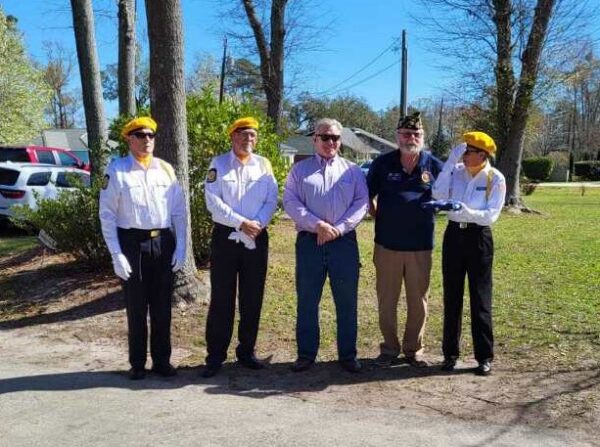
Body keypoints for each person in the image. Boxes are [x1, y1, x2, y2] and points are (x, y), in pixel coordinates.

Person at [99, 116, 187, 380]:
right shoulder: (117, 170)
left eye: (151, 135)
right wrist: (116, 254)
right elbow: (107, 215)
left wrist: (181, 245)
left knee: (162, 306)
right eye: (140, 135)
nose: (147, 140)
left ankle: (162, 360)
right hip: (132, 243)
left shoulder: (166, 170)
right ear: (129, 138)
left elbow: (179, 212)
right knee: (136, 306)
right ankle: (137, 363)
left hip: (162, 241)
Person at [283, 118, 368, 373]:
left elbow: (361, 203)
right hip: (310, 242)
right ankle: (306, 354)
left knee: (346, 301)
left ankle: (348, 355)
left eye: (335, 138)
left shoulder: (352, 170)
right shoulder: (299, 170)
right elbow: (290, 201)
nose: (331, 142)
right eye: (325, 137)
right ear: (315, 139)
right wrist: (317, 225)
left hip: (344, 243)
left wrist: (338, 229)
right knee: (307, 300)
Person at [366, 111, 443, 368]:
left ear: (423, 136)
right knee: (387, 300)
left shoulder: (433, 165)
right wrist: (379, 216)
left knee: (418, 301)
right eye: (406, 134)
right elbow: (366, 195)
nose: (411, 138)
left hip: (421, 246)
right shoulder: (383, 163)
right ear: (397, 136)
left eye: (416, 134)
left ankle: (414, 349)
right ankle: (389, 348)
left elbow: (449, 193)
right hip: (387, 245)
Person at [202, 117, 278, 378]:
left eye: (253, 135)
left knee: (252, 296)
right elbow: (212, 201)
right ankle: (215, 356)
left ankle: (247, 351)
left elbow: (271, 199)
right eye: (243, 135)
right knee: (222, 297)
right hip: (226, 237)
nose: (248, 140)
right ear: (232, 137)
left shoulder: (264, 165)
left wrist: (257, 224)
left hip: (257, 235)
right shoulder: (219, 164)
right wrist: (240, 222)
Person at [432, 131, 506, 376]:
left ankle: (484, 356)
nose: (464, 155)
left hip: (478, 238)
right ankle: (450, 354)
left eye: (468, 151)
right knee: (452, 297)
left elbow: (491, 215)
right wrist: (448, 164)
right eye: (462, 151)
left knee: (480, 298)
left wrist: (467, 212)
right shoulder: (455, 171)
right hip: (454, 236)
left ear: (482, 154)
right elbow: (438, 193)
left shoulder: (495, 178)